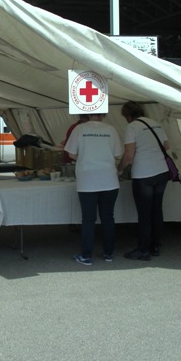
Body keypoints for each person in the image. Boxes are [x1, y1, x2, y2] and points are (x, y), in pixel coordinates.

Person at [64, 112, 122, 265]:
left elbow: (71, 154)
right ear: (103, 113)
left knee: (88, 219)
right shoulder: (111, 129)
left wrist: (86, 157)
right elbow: (117, 153)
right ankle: (108, 254)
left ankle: (86, 255)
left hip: (87, 179)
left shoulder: (79, 129)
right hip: (109, 179)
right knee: (108, 217)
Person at [117, 101, 170, 261]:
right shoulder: (156, 123)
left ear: (128, 116)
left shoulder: (132, 127)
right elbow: (166, 146)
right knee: (157, 209)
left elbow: (129, 155)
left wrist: (119, 168)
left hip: (144, 174)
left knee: (144, 213)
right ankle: (155, 246)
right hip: (162, 171)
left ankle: (143, 250)